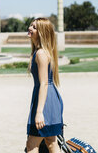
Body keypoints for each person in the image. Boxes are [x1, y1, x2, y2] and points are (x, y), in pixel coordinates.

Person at [25, 18, 63, 153]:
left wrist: (39, 112)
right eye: (31, 25)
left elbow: (44, 83)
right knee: (51, 142)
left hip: (45, 100)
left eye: (34, 27)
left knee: (31, 145)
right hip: (49, 98)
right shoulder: (41, 51)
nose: (30, 28)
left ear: (42, 33)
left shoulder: (41, 53)